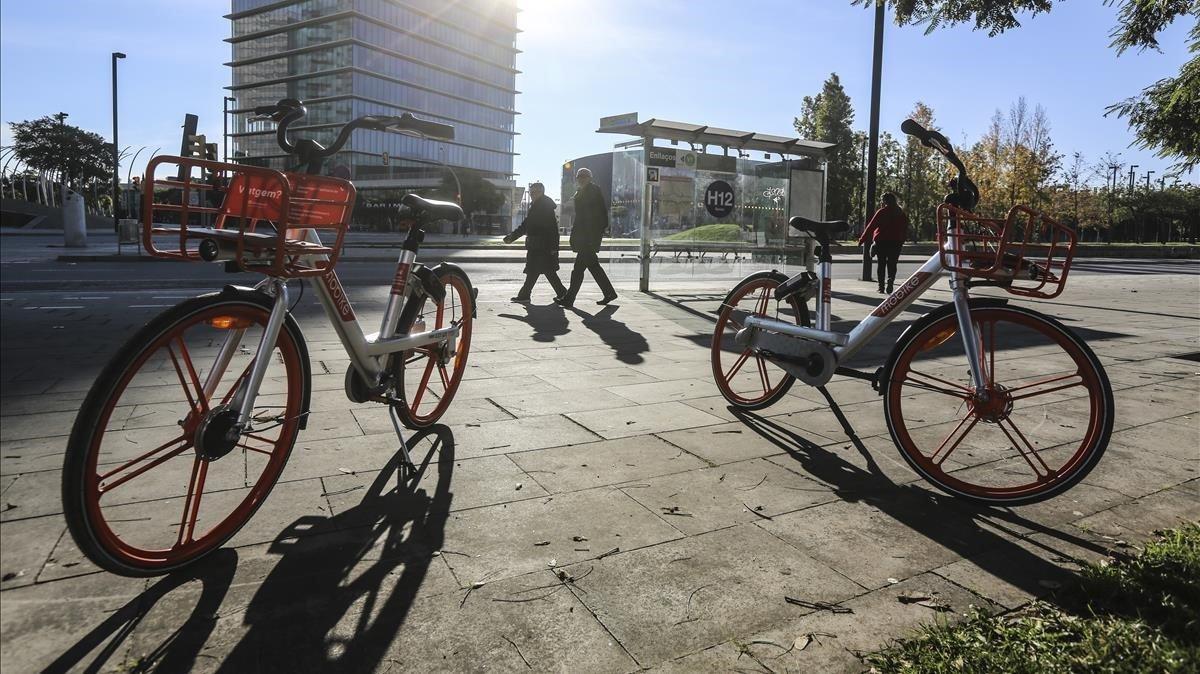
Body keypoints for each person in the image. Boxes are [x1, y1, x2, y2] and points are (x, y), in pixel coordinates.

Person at [556, 167, 617, 308]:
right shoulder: (582, 191)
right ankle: (609, 293)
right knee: (592, 268)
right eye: (579, 176)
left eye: (584, 176)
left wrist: (592, 237)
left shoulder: (593, 191)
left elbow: (599, 216)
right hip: (585, 237)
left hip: (588, 238)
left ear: (590, 178)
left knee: (579, 270)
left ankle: (569, 299)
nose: (581, 178)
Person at [503, 182, 566, 302]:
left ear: (542, 192)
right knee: (540, 271)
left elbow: (552, 229)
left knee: (538, 270)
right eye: (531, 192)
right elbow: (526, 225)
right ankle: (561, 293)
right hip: (537, 245)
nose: (532, 194)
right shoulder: (537, 206)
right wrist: (512, 237)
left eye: (535, 192)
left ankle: (525, 295)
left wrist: (554, 247)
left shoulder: (544, 207)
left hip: (543, 245)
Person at [858, 192, 909, 294]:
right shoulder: (900, 213)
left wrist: (862, 239)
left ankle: (881, 287)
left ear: (885, 201)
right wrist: (902, 240)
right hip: (896, 243)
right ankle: (890, 279)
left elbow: (871, 226)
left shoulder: (882, 212)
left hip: (882, 242)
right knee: (892, 263)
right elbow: (905, 228)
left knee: (881, 264)